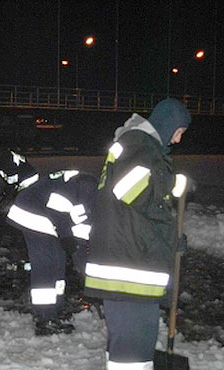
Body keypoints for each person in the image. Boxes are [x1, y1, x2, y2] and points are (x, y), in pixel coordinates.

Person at [84, 98, 191, 369]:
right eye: (179, 132)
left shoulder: (138, 145)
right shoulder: (140, 144)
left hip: (129, 263)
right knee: (132, 349)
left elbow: (139, 212)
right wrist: (171, 182)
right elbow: (130, 190)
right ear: (168, 125)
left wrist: (170, 241)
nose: (177, 140)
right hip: (127, 269)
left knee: (131, 345)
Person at [0, 149, 97, 336]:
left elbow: (79, 237)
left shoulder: (98, 201)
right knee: (47, 265)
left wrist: (83, 266)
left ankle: (53, 313)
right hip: (32, 211)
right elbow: (57, 208)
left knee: (58, 263)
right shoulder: (89, 186)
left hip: (48, 218)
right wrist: (67, 239)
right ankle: (45, 320)